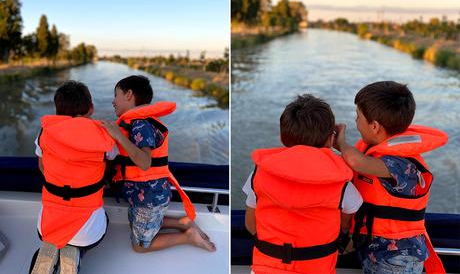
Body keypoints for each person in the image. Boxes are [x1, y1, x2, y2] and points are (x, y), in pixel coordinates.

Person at [334, 81, 448, 274]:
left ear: (375, 126)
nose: (355, 121)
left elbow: (356, 162)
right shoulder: (374, 155)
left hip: (399, 258)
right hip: (375, 250)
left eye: (357, 116)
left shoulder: (402, 165)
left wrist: (341, 142)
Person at [243, 94, 363, 274]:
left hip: (266, 268)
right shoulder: (342, 185)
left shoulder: (259, 174)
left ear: (283, 138)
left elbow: (250, 224)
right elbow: (344, 226)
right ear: (331, 139)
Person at [101, 75, 215, 253]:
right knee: (134, 219)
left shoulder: (140, 124)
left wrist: (118, 135)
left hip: (148, 197)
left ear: (129, 94)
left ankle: (188, 236)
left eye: (116, 95)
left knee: (139, 247)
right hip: (145, 196)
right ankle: (182, 222)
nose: (113, 101)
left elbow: (145, 163)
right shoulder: (139, 122)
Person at [31, 81, 116, 274]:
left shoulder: (44, 133)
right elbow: (109, 165)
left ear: (57, 110)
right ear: (91, 108)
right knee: (104, 221)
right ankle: (76, 251)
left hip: (48, 224)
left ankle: (53, 248)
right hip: (87, 228)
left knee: (51, 233)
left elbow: (42, 167)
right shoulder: (105, 136)